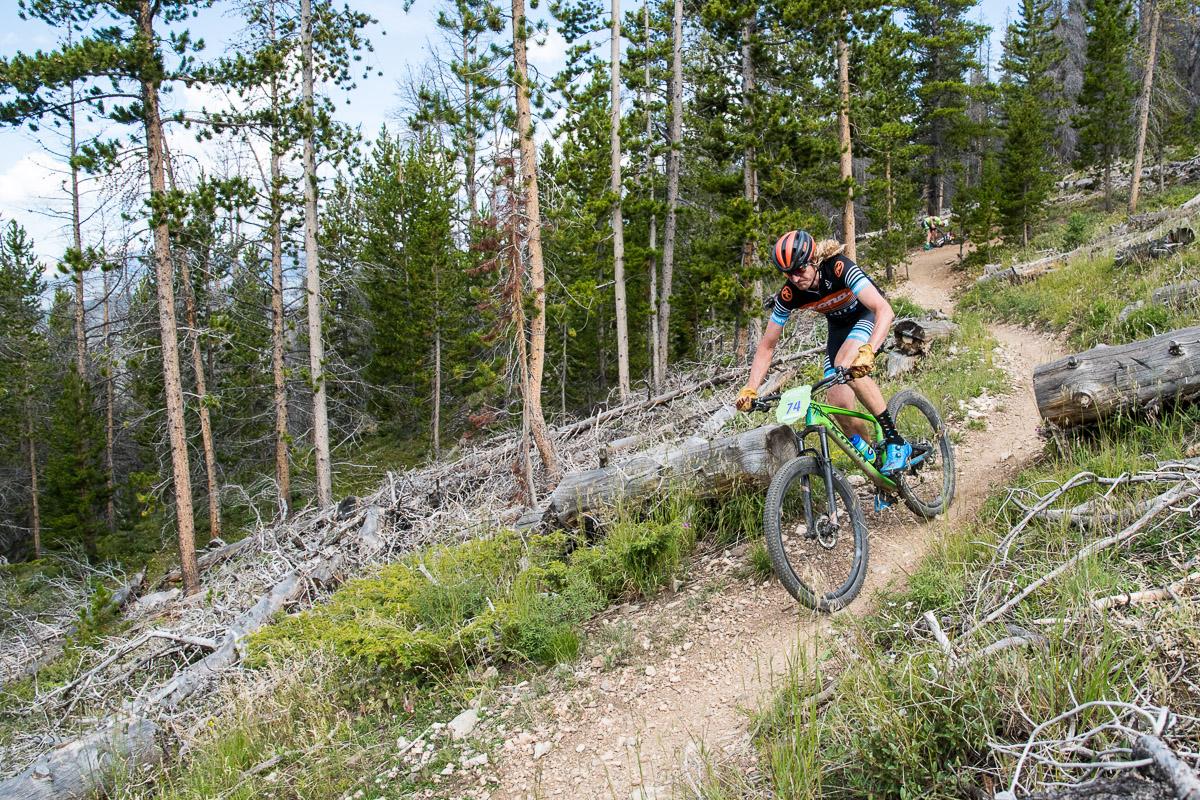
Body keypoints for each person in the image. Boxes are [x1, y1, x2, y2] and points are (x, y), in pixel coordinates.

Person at [734, 230, 911, 474]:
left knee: (845, 363)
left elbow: (884, 309)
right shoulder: (790, 294)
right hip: (838, 329)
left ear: (813, 260)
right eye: (788, 273)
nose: (795, 278)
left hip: (866, 314)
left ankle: (895, 440)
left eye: (799, 270)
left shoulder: (838, 267)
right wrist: (751, 388)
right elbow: (767, 345)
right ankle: (878, 465)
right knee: (837, 401)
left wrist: (870, 349)